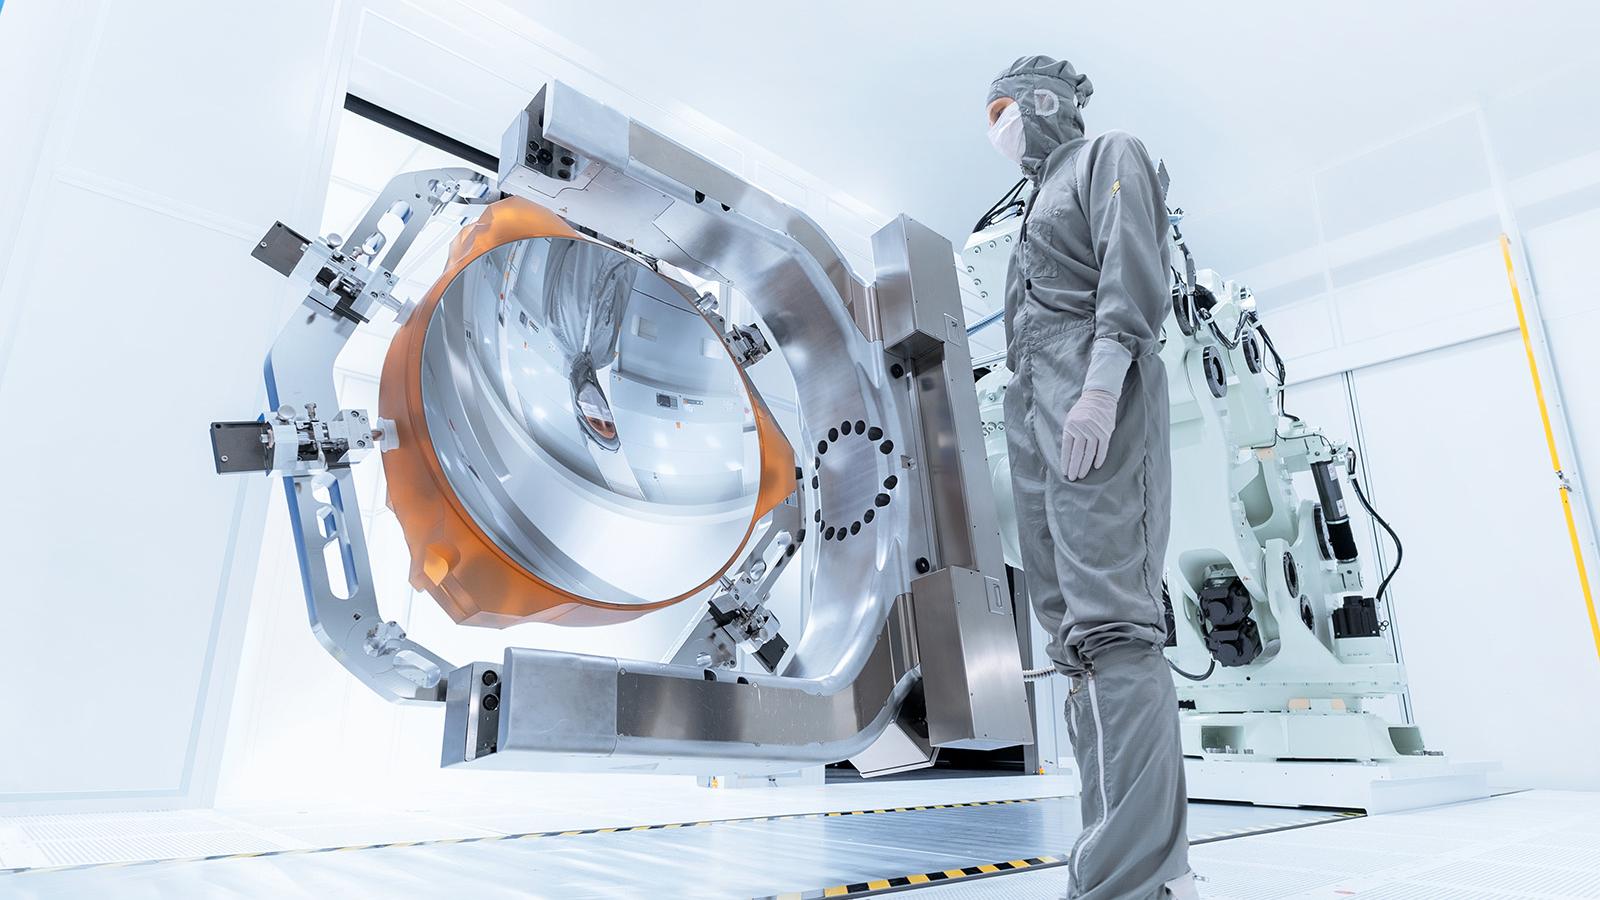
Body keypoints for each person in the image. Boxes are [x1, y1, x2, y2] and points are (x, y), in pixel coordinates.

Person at [984, 55, 1198, 900]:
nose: (998, 128)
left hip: (1090, 400)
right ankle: (1109, 853)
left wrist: (1103, 386)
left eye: (1003, 109)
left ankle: (1136, 877)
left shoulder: (1110, 154)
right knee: (1072, 640)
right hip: (1038, 415)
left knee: (1114, 624)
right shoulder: (1032, 201)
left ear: (1043, 102)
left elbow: (1129, 271)